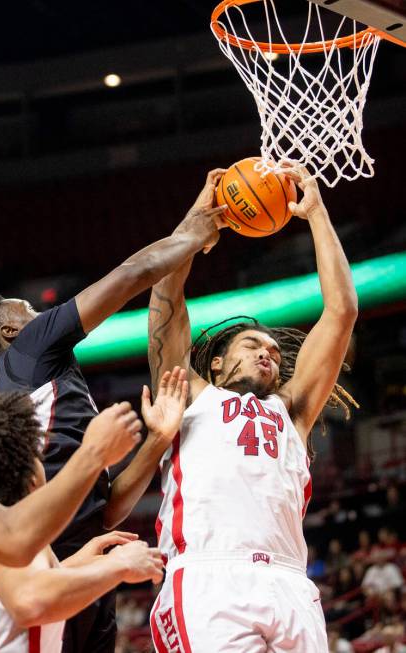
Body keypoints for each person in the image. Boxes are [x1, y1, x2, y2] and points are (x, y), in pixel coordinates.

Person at [0, 173, 226, 653]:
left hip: (69, 555)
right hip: (43, 557)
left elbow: (107, 511)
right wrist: (192, 234)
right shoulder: (29, 350)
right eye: (29, 310)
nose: (42, 315)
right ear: (9, 328)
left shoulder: (30, 388)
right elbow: (128, 276)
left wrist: (157, 441)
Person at [147, 166, 359, 652]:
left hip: (290, 582)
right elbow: (165, 297)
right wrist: (198, 221)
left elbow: (342, 310)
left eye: (275, 351)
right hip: (208, 576)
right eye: (251, 344)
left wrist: (316, 213)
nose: (268, 353)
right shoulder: (188, 391)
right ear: (217, 361)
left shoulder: (294, 410)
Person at [0, 368, 187, 652]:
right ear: (31, 478)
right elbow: (29, 600)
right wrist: (118, 567)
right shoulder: (16, 547)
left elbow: (9, 593)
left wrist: (76, 564)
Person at [0, 397, 142, 566]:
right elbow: (28, 592)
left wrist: (72, 565)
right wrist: (94, 452)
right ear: (32, 479)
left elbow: (28, 586)